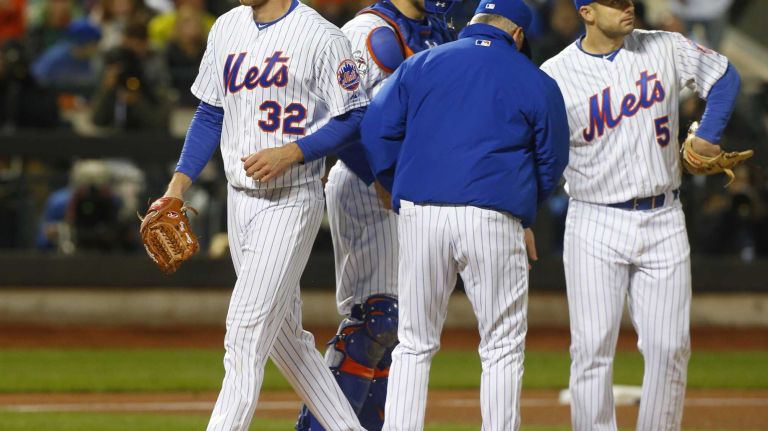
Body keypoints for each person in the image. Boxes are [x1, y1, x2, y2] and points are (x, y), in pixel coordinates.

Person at [155, 0, 369, 430]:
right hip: (240, 199)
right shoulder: (228, 27)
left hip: (291, 199)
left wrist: (294, 151)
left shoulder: (321, 36)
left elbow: (355, 115)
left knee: (245, 333)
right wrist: (177, 186)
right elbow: (210, 112)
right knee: (286, 339)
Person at [361, 0, 570, 429]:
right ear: (516, 35)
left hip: (422, 214)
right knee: (501, 347)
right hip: (493, 218)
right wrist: (524, 210)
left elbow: (376, 130)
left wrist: (394, 180)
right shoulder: (536, 79)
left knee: (414, 343)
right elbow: (551, 161)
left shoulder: (421, 64)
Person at [540, 1, 742, 430]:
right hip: (594, 219)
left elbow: (725, 75)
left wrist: (707, 135)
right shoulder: (554, 75)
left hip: (663, 215)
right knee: (592, 350)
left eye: (628, 0)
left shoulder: (666, 46)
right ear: (587, 11)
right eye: (613, 3)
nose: (627, 7)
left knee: (671, 348)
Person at [295, 0, 457, 429]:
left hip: (415, 191)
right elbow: (338, 117)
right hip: (368, 184)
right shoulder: (366, 31)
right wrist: (378, 176)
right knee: (376, 320)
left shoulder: (438, 32)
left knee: (399, 330)